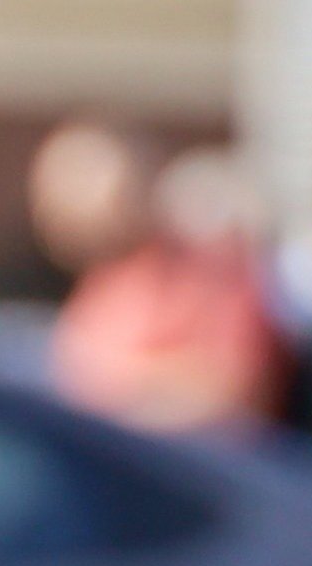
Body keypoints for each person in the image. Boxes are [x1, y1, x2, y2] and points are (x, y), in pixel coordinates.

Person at [47, 143, 281, 435]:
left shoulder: (215, 275)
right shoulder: (99, 296)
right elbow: (80, 391)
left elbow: (238, 392)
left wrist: (126, 378)